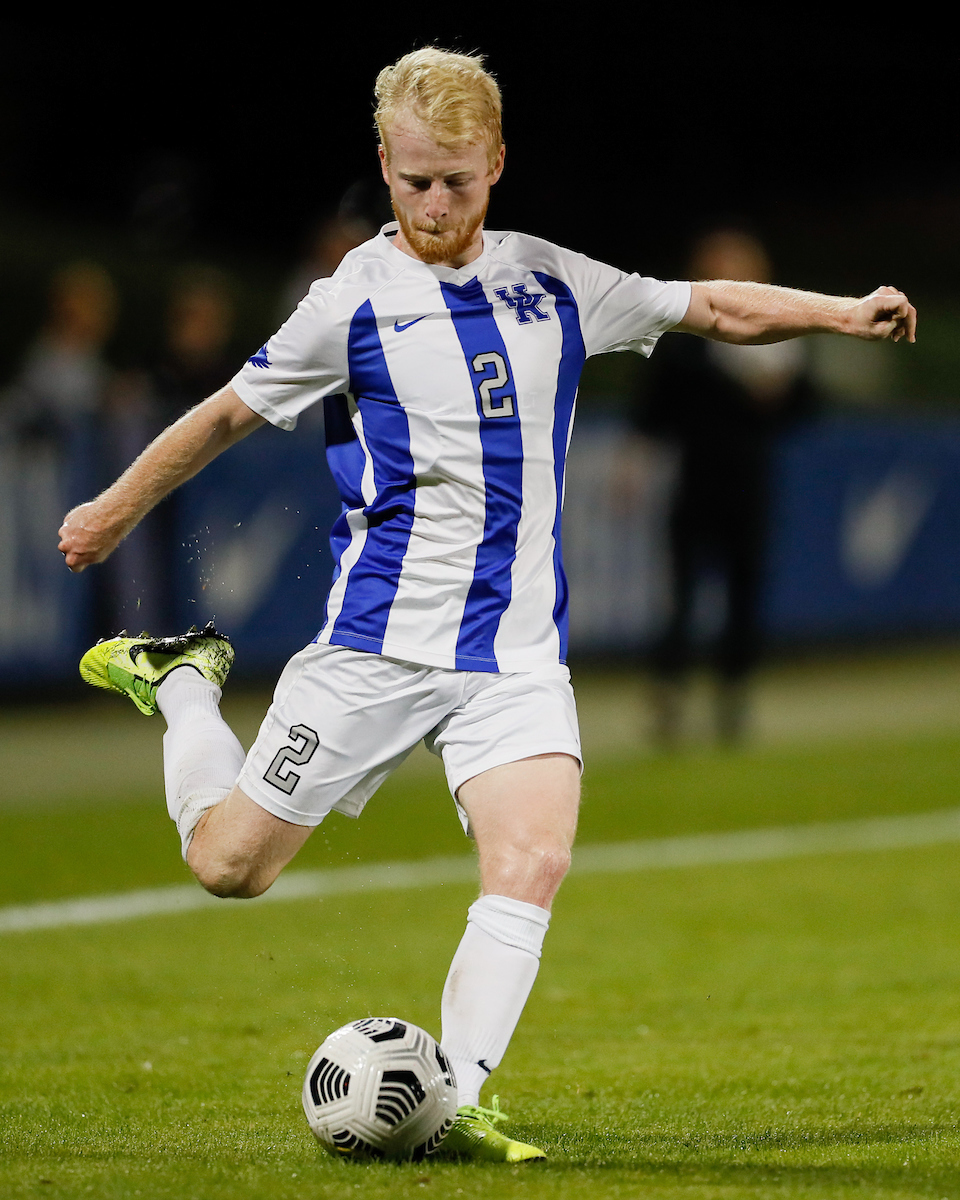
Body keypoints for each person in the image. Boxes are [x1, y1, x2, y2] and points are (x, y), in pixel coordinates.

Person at [57, 48, 917, 1163]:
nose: (434, 204)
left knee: (533, 862)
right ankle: (180, 682)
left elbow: (706, 307)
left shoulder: (549, 279)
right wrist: (114, 511)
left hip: (513, 658)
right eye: (413, 180)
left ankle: (456, 1099)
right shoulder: (350, 302)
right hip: (374, 647)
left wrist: (841, 313)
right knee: (229, 869)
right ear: (384, 163)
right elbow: (224, 416)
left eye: (457, 180)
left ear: (497, 163)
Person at [627, 230, 818, 744]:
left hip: (750, 485)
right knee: (682, 598)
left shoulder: (779, 335)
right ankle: (668, 698)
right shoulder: (688, 336)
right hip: (695, 484)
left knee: (744, 596)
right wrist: (634, 459)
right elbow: (655, 407)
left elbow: (806, 406)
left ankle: (732, 700)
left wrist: (777, 394)